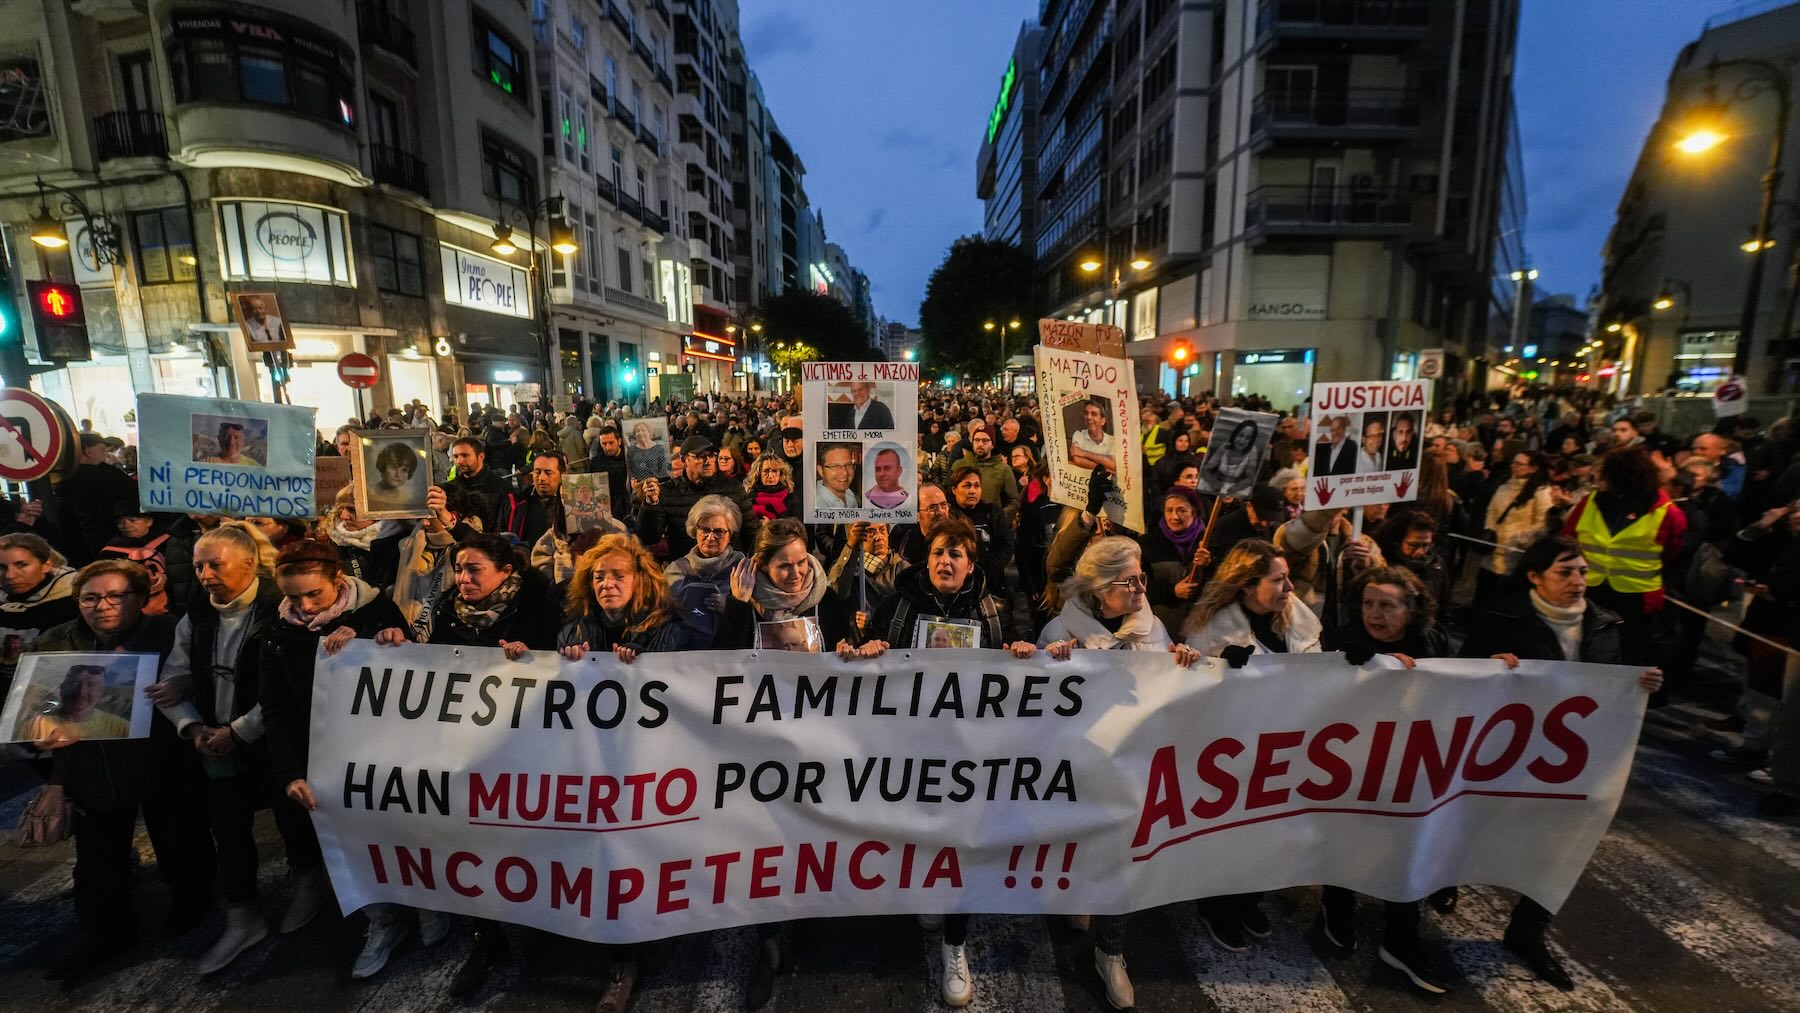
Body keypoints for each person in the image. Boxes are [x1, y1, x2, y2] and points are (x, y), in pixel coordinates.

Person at [837, 517, 1037, 1008]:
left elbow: (1015, 670)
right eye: (939, 553)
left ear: (971, 566)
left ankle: (955, 944)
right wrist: (866, 648)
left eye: (957, 555)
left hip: (971, 754)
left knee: (963, 843)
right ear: (927, 557)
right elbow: (864, 662)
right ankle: (929, 894)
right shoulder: (898, 604)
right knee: (923, 835)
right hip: (911, 748)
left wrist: (1019, 652)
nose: (946, 562)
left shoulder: (993, 610)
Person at [1459, 535, 1664, 989]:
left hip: (1571, 761)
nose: (1578, 582)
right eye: (1565, 572)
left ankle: (1528, 931)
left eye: (1583, 572)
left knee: (1564, 842)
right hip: (1501, 755)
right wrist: (1487, 666)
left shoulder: (1606, 623)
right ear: (1534, 576)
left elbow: (1612, 682)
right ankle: (1445, 879)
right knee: (1475, 827)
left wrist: (1643, 682)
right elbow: (1458, 675)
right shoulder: (1501, 616)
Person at [375, 532, 560, 996]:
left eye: (474, 568)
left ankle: (541, 924)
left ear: (505, 571)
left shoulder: (539, 605)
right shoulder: (448, 612)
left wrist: (536, 658)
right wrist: (398, 645)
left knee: (530, 840)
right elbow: (429, 667)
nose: (463, 577)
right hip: (469, 752)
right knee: (476, 841)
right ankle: (488, 937)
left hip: (528, 749)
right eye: (459, 568)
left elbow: (568, 667)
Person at [145, 522, 324, 975]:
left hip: (269, 739)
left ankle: (308, 882)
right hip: (214, 741)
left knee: (292, 818)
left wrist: (239, 731)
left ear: (249, 563)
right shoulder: (198, 614)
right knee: (227, 827)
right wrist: (192, 727)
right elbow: (175, 674)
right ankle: (242, 915)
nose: (204, 574)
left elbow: (290, 688)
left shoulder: (281, 609)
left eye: (214, 564)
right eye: (200, 565)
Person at [255, 539, 434, 980]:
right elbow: (275, 705)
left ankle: (431, 904)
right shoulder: (278, 630)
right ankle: (382, 922)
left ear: (339, 581)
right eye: (292, 596)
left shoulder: (375, 611)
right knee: (357, 847)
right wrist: (290, 771)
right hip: (326, 761)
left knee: (407, 833)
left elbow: (417, 677)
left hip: (388, 755)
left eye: (313, 594)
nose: (302, 605)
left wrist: (383, 641)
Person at [31, 560, 216, 982]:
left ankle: (192, 905)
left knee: (179, 843)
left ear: (141, 599)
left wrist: (187, 685)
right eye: (90, 598)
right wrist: (40, 727)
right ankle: (106, 937)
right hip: (91, 770)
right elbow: (34, 698)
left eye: (116, 596)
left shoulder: (170, 633)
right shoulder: (57, 641)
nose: (102, 606)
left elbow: (206, 679)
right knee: (97, 864)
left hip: (161, 763)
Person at [1038, 536, 1201, 1010]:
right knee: (1078, 840)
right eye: (1130, 581)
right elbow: (1040, 712)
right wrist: (1052, 667)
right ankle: (1074, 897)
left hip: (1133, 763)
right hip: (1079, 765)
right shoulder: (1058, 632)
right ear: (1099, 585)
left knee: (1123, 855)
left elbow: (1168, 692)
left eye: (1141, 579)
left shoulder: (1153, 630)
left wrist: (1184, 664)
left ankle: (1111, 953)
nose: (1139, 589)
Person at [556, 534, 703, 1010]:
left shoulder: (668, 627)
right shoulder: (577, 627)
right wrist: (566, 663)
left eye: (618, 575)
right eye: (598, 577)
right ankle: (622, 962)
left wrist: (642, 668)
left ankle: (658, 932)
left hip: (654, 768)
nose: (607, 584)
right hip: (596, 767)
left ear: (641, 579)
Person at [1182, 539, 1321, 950]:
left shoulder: (1296, 617)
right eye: (1277, 580)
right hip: (1232, 754)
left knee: (1269, 831)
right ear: (1247, 586)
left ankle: (1250, 897)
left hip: (1287, 746)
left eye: (1287, 578)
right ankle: (1216, 904)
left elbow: (1320, 670)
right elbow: (1189, 695)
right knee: (1229, 831)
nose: (1289, 587)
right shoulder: (1210, 627)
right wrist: (1223, 671)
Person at [1317, 564, 1449, 993]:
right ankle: (1336, 908)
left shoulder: (1432, 644)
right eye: (1368, 604)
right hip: (1350, 768)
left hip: (1410, 770)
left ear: (1411, 610)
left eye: (1387, 606)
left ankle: (1402, 938)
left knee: (1406, 849)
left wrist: (1501, 671)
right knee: (1346, 840)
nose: (1374, 613)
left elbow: (1465, 689)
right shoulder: (1341, 642)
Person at [1561, 446, 1687, 668]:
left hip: (1636, 596)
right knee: (1584, 645)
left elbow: (1672, 552)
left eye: (1604, 472)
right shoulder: (1590, 502)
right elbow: (1568, 538)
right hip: (1589, 588)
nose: (1597, 476)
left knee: (1629, 652)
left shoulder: (1667, 512)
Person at [0, 532, 80, 693]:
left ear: (46, 565)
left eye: (21, 565)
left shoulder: (75, 602)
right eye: (1, 567)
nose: (10, 575)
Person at [1141, 485, 1212, 632]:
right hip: (1163, 628)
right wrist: (1171, 591)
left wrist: (1209, 565)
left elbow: (1222, 585)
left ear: (1194, 512)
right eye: (1169, 510)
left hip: (1202, 628)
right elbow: (1140, 586)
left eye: (1182, 510)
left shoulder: (1209, 541)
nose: (1174, 517)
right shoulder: (1148, 543)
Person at [947, 466, 1014, 594]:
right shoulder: (948, 515)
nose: (973, 491)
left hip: (990, 583)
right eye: (967, 485)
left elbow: (1007, 544)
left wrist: (990, 565)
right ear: (954, 489)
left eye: (977, 486)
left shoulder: (992, 512)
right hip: (958, 583)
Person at [24, 664, 129, 741]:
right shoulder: (35, 725)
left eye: (91, 685)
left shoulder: (120, 727)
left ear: (101, 692)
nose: (81, 693)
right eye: (74, 684)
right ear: (62, 689)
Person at [955, 426, 1018, 512]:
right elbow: (948, 493)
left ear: (992, 444)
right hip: (962, 522)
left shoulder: (1003, 469)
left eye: (985, 440)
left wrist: (1000, 519)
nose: (980, 444)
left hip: (991, 522)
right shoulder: (959, 465)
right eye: (976, 440)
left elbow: (1013, 501)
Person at [1205, 418, 1263, 494]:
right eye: (1240, 435)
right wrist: (1214, 483)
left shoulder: (1252, 451)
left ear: (1251, 441)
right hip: (1216, 484)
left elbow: (1250, 478)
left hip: (1236, 488)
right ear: (1235, 434)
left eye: (1247, 438)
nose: (1242, 440)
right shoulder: (1225, 446)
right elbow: (1206, 469)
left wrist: (1234, 489)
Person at [745, 454, 800, 525]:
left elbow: (795, 526)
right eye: (766, 471)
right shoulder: (750, 498)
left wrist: (771, 525)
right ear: (759, 474)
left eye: (774, 471)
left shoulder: (790, 498)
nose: (770, 476)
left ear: (781, 474)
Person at [1068, 400, 1117, 473]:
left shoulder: (1112, 440)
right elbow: (1077, 460)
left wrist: (1083, 453)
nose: (1088, 417)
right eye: (1086, 413)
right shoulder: (1079, 435)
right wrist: (1106, 469)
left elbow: (1113, 465)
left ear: (1103, 421)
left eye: (1093, 414)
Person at [827, 380, 895, 430]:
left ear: (868, 390)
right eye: (854, 391)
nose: (857, 393)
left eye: (861, 389)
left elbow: (890, 431)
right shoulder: (852, 412)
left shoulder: (881, 408)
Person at [812, 443, 862, 510]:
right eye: (835, 466)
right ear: (820, 470)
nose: (844, 473)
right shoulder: (817, 505)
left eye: (848, 465)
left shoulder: (849, 494)